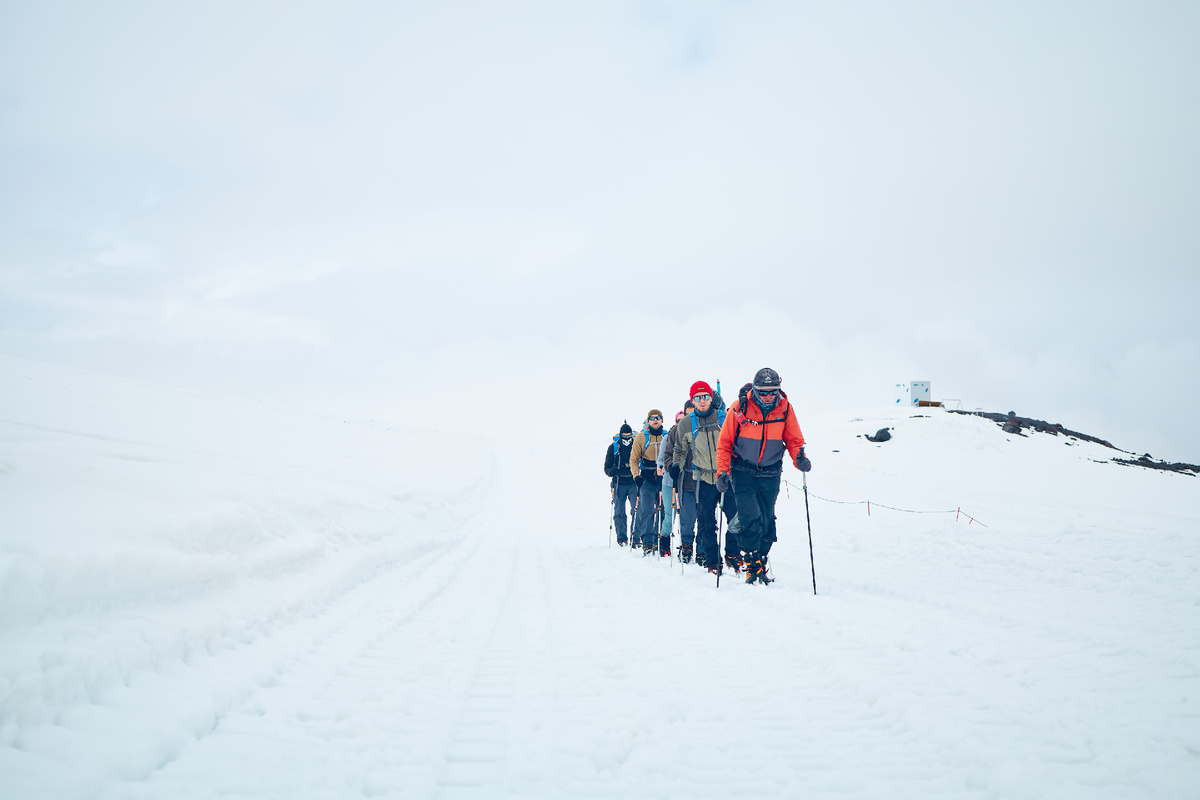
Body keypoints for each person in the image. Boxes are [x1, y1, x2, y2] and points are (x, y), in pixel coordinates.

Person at [716, 367, 810, 585]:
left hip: (771, 471)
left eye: (773, 391)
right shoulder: (740, 407)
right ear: (755, 390)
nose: (768, 396)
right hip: (742, 470)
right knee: (750, 517)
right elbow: (725, 443)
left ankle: (762, 559)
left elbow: (794, 441)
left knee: (767, 518)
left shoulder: (785, 408)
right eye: (763, 391)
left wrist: (800, 460)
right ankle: (750, 563)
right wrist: (723, 472)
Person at [672, 381, 735, 574]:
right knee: (706, 522)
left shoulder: (724, 418)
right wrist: (676, 466)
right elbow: (680, 450)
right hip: (703, 479)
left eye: (705, 397)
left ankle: (732, 554)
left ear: (711, 397)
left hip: (726, 476)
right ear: (692, 400)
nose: (702, 401)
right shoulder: (686, 423)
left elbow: (736, 443)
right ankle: (712, 561)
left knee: (736, 518)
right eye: (697, 398)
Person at [656, 402, 694, 558]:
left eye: (683, 419)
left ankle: (687, 546)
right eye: (678, 420)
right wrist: (665, 467)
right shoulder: (669, 436)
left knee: (687, 515)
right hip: (669, 481)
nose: (681, 422)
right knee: (670, 515)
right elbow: (661, 458)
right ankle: (664, 540)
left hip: (686, 481)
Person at [629, 410, 667, 554]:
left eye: (658, 418)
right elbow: (633, 459)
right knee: (647, 509)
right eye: (652, 418)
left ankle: (662, 539)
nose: (655, 420)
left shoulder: (667, 435)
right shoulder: (641, 437)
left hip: (664, 477)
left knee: (664, 509)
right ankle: (648, 542)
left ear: (662, 420)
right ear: (648, 421)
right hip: (647, 477)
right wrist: (636, 476)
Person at [603, 422, 637, 546]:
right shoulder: (613, 448)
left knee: (637, 509)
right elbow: (607, 468)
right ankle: (622, 538)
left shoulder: (636, 446)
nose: (627, 439)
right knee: (619, 512)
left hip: (633, 483)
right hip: (619, 483)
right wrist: (615, 471)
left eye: (629, 436)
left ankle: (636, 536)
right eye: (625, 436)